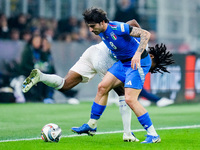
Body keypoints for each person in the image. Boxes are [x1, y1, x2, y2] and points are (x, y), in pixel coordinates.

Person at [22, 19, 145, 142]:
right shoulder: (140, 45)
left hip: (92, 52)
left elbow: (132, 22)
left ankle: (42, 77)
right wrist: (140, 40)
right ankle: (125, 133)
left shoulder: (124, 33)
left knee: (65, 84)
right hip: (103, 58)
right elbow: (133, 23)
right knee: (120, 92)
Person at [70, 7, 174, 144]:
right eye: (89, 27)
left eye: (92, 26)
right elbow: (133, 23)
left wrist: (137, 53)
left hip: (138, 62)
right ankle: (91, 125)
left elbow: (146, 34)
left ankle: (153, 135)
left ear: (102, 22)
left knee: (130, 99)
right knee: (102, 87)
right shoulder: (100, 30)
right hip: (123, 63)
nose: (90, 30)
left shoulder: (118, 28)